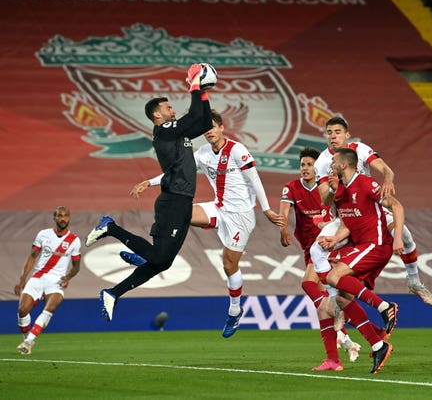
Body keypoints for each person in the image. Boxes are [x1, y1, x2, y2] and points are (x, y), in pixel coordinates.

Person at [130, 109, 285, 338]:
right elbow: (177, 173)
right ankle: (155, 255)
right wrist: (149, 182)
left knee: (229, 265)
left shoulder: (237, 149)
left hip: (240, 216)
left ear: (222, 127)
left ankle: (234, 310)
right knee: (178, 212)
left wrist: (267, 209)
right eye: (206, 128)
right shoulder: (202, 153)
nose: (210, 131)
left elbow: (255, 179)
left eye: (213, 126)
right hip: (218, 207)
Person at [85, 64, 213, 321]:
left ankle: (112, 293)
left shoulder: (178, 133)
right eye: (167, 108)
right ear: (157, 116)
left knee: (162, 263)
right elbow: (193, 114)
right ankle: (110, 228)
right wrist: (195, 86)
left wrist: (205, 92)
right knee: (158, 257)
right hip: (173, 200)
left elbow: (205, 120)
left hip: (183, 199)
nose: (172, 110)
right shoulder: (164, 132)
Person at [312, 116, 432, 306]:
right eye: (329, 133)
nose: (333, 137)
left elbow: (387, 170)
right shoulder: (322, 161)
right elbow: (325, 200)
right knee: (316, 249)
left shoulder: (360, 149)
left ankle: (414, 281)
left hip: (372, 211)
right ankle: (333, 296)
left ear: (347, 134)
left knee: (404, 234)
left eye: (337, 132)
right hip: (345, 217)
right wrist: (332, 188)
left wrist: (387, 179)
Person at [318, 147, 403, 374]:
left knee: (333, 276)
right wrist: (335, 238)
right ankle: (378, 344)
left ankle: (385, 307)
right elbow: (347, 222)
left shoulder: (366, 183)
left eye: (334, 160)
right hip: (359, 246)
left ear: (344, 164)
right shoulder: (341, 190)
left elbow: (397, 206)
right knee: (342, 300)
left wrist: (398, 239)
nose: (331, 162)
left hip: (376, 245)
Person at [279, 147, 361, 371]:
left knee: (308, 284)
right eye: (302, 165)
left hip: (327, 245)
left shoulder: (326, 187)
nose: (305, 169)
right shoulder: (291, 188)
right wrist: (283, 228)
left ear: (317, 168)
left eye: (309, 165)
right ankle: (341, 348)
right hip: (309, 247)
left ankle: (351, 338)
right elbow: (284, 211)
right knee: (325, 303)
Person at [15, 206, 81, 355]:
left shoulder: (74, 241)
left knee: (49, 308)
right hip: (38, 277)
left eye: (66, 216)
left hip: (56, 281)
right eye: (60, 216)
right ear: (54, 218)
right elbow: (33, 256)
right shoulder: (43, 235)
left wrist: (68, 277)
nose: (63, 218)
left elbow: (76, 266)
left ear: (69, 218)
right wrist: (22, 279)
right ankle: (27, 339)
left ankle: (28, 342)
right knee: (22, 310)